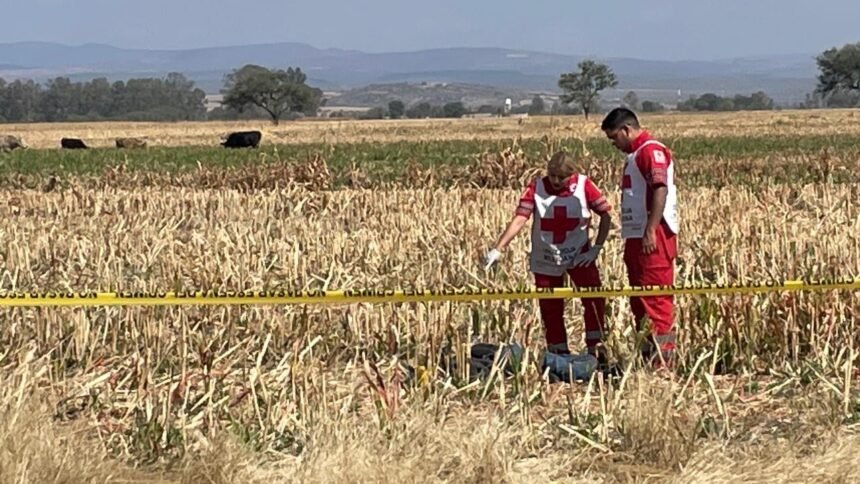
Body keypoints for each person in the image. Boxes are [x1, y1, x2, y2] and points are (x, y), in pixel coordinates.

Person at [483, 150, 612, 363]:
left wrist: (596, 248)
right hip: (546, 256)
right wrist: (498, 248)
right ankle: (558, 353)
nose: (556, 181)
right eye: (552, 176)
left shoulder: (584, 185)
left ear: (572, 174)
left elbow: (606, 215)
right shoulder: (537, 187)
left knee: (594, 299)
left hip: (578, 254)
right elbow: (520, 219)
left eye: (562, 177)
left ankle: (596, 349)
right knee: (550, 306)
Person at [600, 108, 679, 369]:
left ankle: (662, 363)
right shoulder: (635, 155)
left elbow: (660, 188)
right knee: (640, 301)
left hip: (653, 237)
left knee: (655, 299)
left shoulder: (650, 151)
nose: (614, 144)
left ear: (626, 130)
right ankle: (647, 358)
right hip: (636, 236)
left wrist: (650, 230)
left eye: (615, 138)